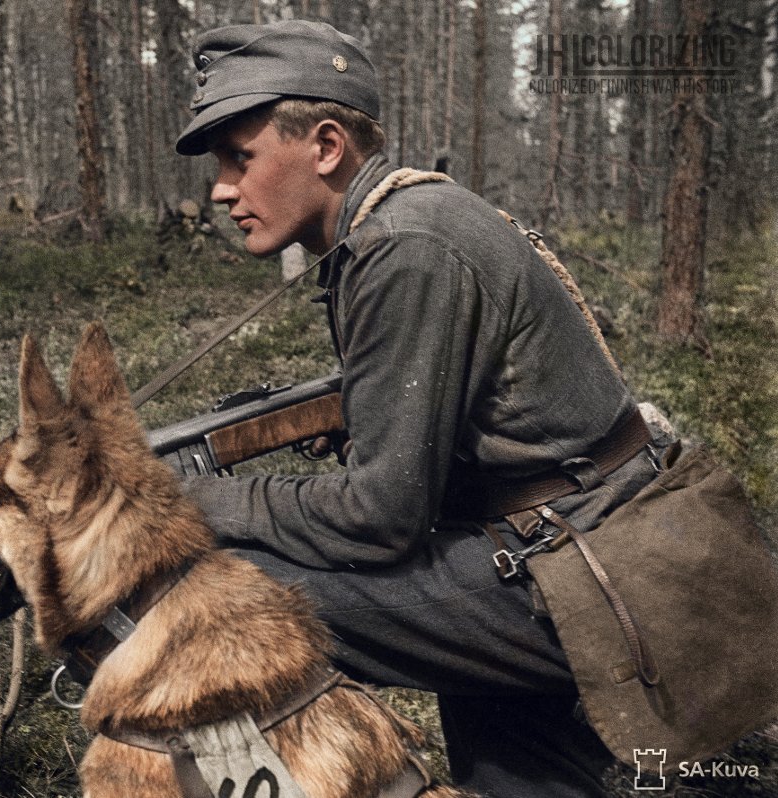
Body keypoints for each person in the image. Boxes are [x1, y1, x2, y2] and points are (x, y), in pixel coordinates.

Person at [175, 19, 666, 798]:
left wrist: (206, 501)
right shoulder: (406, 219)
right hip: (576, 545)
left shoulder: (405, 245)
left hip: (590, 575)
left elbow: (380, 518)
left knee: (217, 589)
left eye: (241, 156)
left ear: (327, 147)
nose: (222, 188)